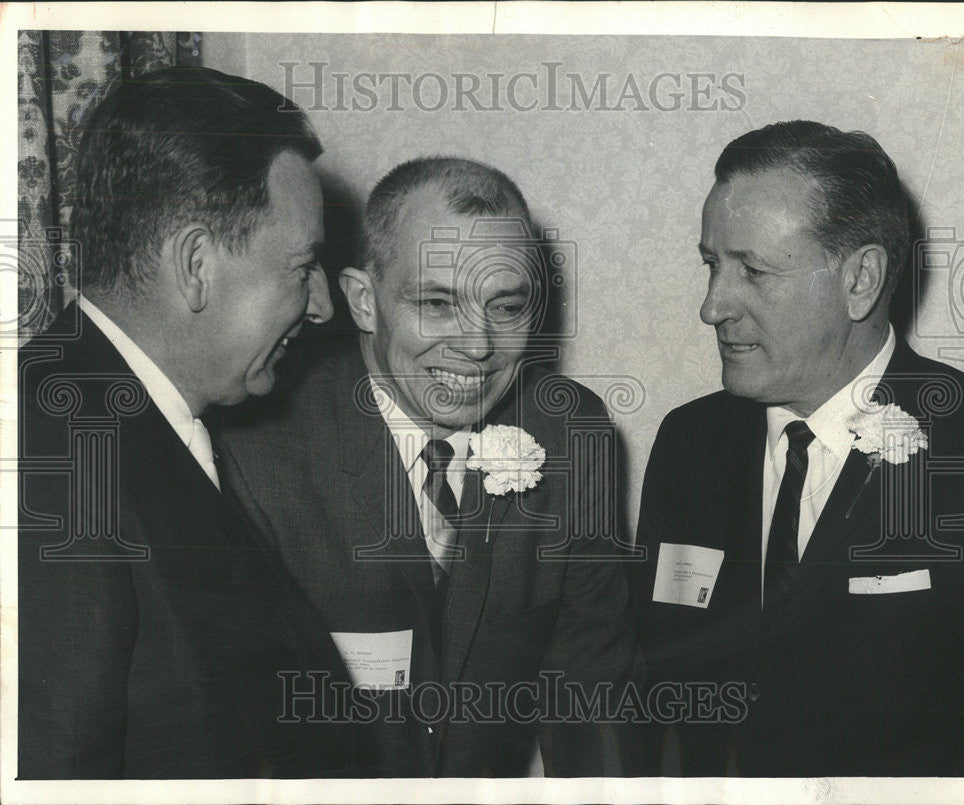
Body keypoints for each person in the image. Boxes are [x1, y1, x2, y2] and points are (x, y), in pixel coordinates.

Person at [213, 157, 639, 777]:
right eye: (437, 304)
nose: (477, 346)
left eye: (506, 306)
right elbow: (232, 726)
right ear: (363, 300)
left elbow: (594, 693)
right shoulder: (259, 444)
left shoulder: (572, 430)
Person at [18, 67, 357, 778]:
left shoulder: (124, 417)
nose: (323, 305)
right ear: (197, 263)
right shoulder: (53, 453)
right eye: (302, 267)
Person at [634, 120, 964, 777]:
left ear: (860, 280)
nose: (712, 306)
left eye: (753, 271)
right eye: (712, 264)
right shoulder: (689, 441)